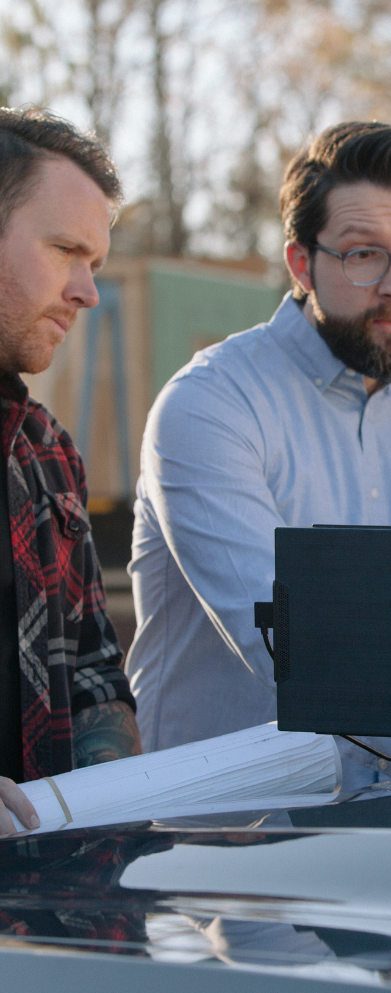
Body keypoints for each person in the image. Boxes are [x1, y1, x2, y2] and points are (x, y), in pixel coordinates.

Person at [126, 122, 391, 782]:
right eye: (363, 254)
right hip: (232, 822)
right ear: (300, 263)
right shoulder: (210, 406)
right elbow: (280, 635)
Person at [0, 108, 141, 836]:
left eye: (96, 264)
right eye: (64, 250)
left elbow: (93, 676)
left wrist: (120, 791)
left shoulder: (48, 453)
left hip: (52, 888)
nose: (87, 292)